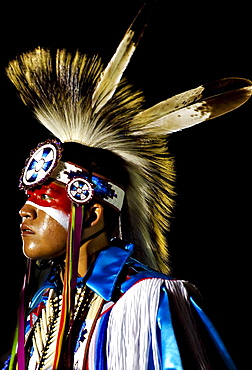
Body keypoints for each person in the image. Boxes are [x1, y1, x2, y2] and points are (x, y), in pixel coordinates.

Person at [2, 3, 251, 369]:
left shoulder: (146, 303)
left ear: (92, 214)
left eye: (44, 197)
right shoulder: (42, 309)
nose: (24, 209)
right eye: (28, 198)